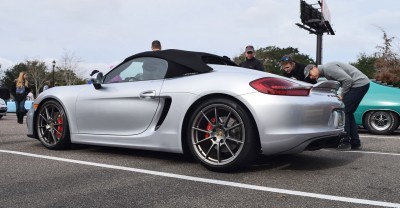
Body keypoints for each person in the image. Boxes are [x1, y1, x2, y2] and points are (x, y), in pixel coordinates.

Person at [304, 62, 370, 150]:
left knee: (344, 111)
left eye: (310, 74)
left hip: (358, 84)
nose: (311, 77)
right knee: (349, 113)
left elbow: (348, 80)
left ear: (314, 68)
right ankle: (355, 142)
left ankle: (346, 142)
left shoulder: (328, 69)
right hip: (361, 84)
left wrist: (342, 95)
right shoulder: (326, 72)